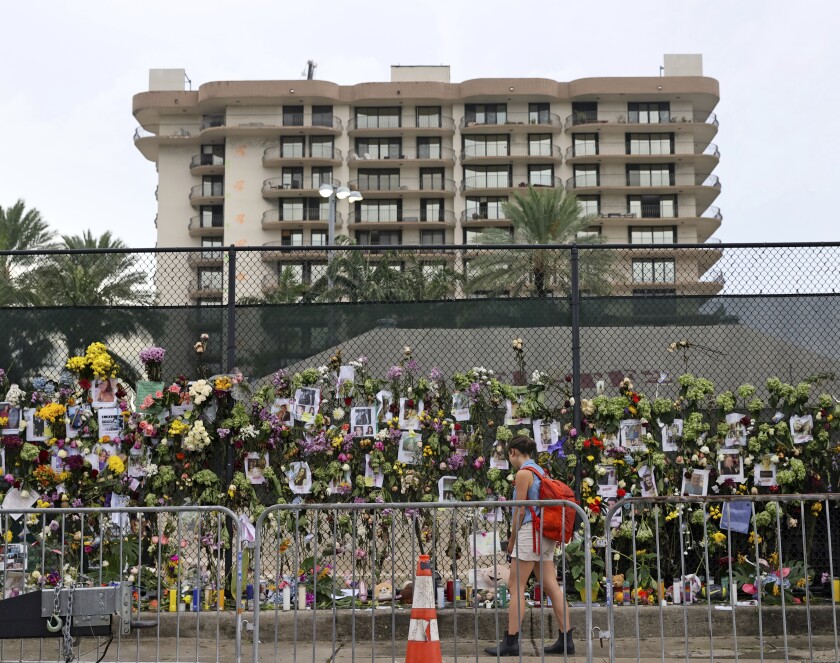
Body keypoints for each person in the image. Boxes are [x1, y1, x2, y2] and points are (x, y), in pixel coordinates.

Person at [485, 435, 574, 657]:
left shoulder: (523, 473)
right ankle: (566, 639)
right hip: (545, 534)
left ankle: (511, 640)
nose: (510, 459)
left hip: (529, 533)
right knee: (551, 586)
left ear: (513, 452)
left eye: (509, 455)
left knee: (516, 586)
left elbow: (520, 510)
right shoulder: (540, 471)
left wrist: (512, 540)